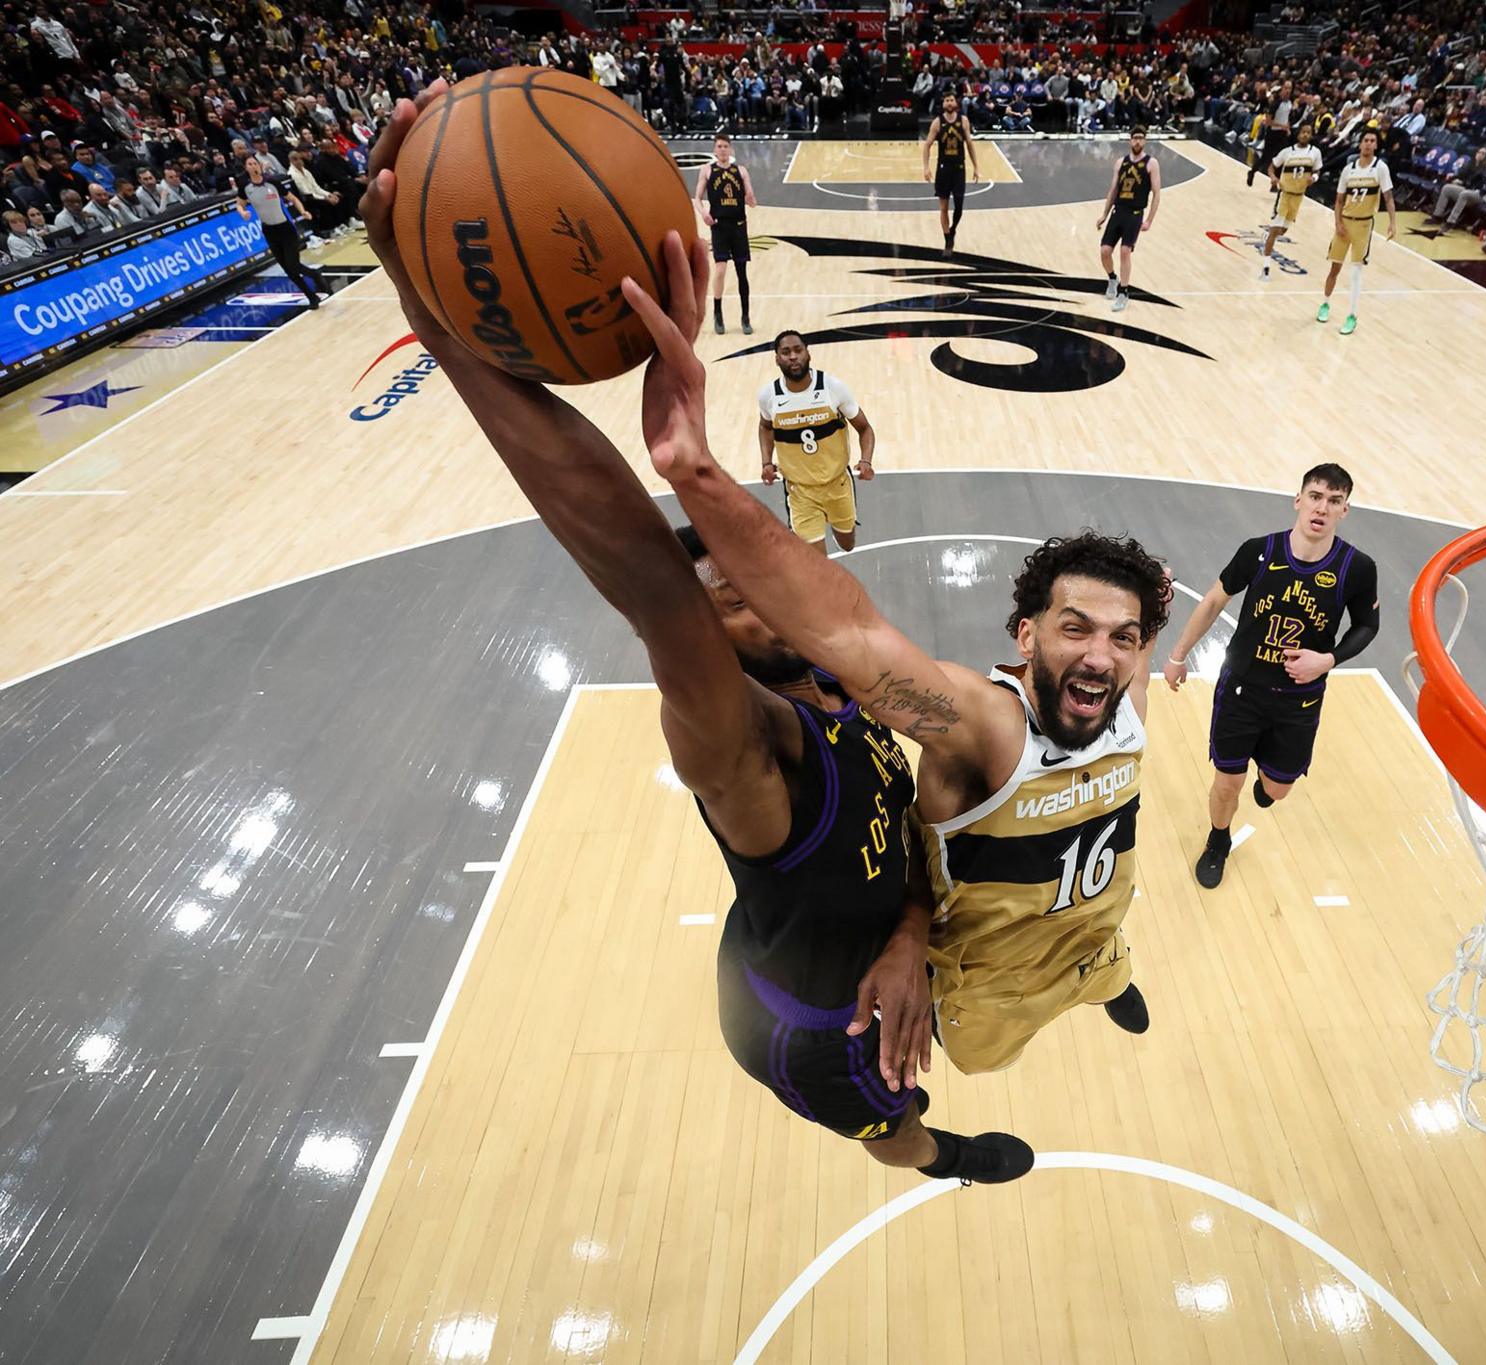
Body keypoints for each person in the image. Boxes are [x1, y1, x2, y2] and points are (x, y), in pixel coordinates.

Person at [358, 82, 1031, 1186]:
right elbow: (650, 589)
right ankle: (939, 1158)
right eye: (720, 601)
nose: (749, 597)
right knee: (894, 1130)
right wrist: (437, 316)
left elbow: (925, 772)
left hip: (864, 941)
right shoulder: (737, 743)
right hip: (809, 1030)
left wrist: (910, 934)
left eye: (750, 581)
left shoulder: (837, 675)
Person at [623, 233, 1168, 1076]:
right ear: (1024, 638)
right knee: (987, 1058)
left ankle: (1106, 979)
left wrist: (1151, 611)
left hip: (1096, 929)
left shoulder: (1127, 694)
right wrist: (696, 474)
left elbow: (1137, 637)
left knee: (1105, 946)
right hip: (998, 983)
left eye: (1123, 637)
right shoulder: (980, 724)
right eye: (1075, 628)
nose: (1102, 656)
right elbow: (852, 636)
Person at [1159, 465, 1379, 889]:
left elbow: (1367, 626)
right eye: (1315, 496)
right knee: (1228, 782)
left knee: (1277, 790)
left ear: (1345, 510)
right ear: (1298, 500)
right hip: (1242, 688)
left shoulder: (1357, 568)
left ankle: (1269, 783)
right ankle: (1218, 840)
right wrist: (1177, 654)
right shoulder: (1259, 551)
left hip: (1299, 699)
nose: (1322, 508)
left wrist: (1326, 659)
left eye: (1334, 501)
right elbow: (1213, 601)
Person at [757, 329, 876, 553]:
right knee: (817, 562)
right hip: (799, 490)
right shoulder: (768, 396)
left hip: (837, 483)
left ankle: (832, 520)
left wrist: (866, 461)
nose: (793, 356)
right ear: (777, 359)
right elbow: (765, 426)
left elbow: (865, 428)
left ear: (808, 353)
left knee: (847, 544)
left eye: (798, 350)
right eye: (785, 352)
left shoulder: (833, 388)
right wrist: (766, 462)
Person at [1318, 129, 1396, 334]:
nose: (1369, 144)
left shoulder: (1381, 168)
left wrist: (1392, 222)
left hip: (1363, 225)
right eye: (1366, 140)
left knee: (1355, 272)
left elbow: (1388, 197)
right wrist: (1338, 223)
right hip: (1344, 223)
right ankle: (1325, 304)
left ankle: (1352, 316)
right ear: (1360, 144)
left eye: (1372, 141)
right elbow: (1338, 200)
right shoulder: (1348, 170)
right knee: (1334, 269)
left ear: (1376, 145)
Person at [235, 155, 323, 307]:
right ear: (246, 168)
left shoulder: (273, 182)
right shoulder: (245, 187)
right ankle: (312, 297)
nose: (253, 166)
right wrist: (243, 213)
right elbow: (239, 204)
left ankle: (314, 274)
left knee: (293, 264)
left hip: (285, 228)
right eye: (250, 164)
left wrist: (302, 211)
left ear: (259, 166)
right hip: (269, 231)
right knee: (288, 270)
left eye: (255, 163)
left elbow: (293, 198)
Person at [695, 133, 757, 335]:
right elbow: (697, 198)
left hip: (739, 225)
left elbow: (751, 200)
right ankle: (718, 312)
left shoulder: (741, 171)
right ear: (714, 150)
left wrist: (750, 197)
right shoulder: (707, 170)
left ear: (730, 150)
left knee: (742, 273)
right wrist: (704, 212)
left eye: (725, 146)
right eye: (719, 146)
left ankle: (745, 316)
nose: (722, 149)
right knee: (720, 270)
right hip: (719, 226)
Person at [1096, 125, 1161, 313]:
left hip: (1135, 214)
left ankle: (1123, 293)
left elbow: (1156, 194)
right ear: (1130, 140)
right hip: (1118, 212)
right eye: (1135, 138)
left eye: (1141, 138)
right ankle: (1112, 278)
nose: (1138, 141)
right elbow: (1113, 190)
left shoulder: (1151, 163)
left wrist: (1149, 220)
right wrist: (1104, 214)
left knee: (1125, 252)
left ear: (1145, 140)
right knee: (1105, 251)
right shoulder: (1120, 163)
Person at [1259, 121, 1321, 281]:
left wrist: (1313, 178)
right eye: (1303, 132)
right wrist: (1273, 178)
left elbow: (1317, 170)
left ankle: (1269, 236)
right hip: (1284, 194)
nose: (1305, 134)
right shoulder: (1287, 152)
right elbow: (1271, 167)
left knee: (1282, 231)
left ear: (1311, 135)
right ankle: (1265, 269)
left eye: (1308, 132)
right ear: (1298, 134)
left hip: (1299, 196)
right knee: (1275, 231)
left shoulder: (1315, 152)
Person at [920, 89, 977, 257]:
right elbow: (927, 145)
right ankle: (948, 241)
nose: (949, 103)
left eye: (952, 100)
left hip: (959, 168)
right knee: (943, 208)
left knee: (959, 206)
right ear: (943, 104)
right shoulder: (937, 123)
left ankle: (952, 229)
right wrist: (926, 167)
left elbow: (970, 144)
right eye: (946, 100)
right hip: (943, 169)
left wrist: (976, 167)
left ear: (956, 103)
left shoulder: (964, 121)